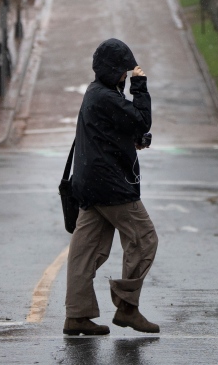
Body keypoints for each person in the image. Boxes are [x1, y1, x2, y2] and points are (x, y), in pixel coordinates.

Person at [63, 38, 158, 336]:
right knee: (144, 240)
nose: (126, 75)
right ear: (113, 69)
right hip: (111, 186)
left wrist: (133, 141)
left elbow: (110, 132)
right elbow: (141, 120)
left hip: (90, 184)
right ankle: (127, 306)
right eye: (124, 70)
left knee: (86, 252)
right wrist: (139, 85)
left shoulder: (96, 94)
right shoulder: (106, 96)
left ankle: (77, 316)